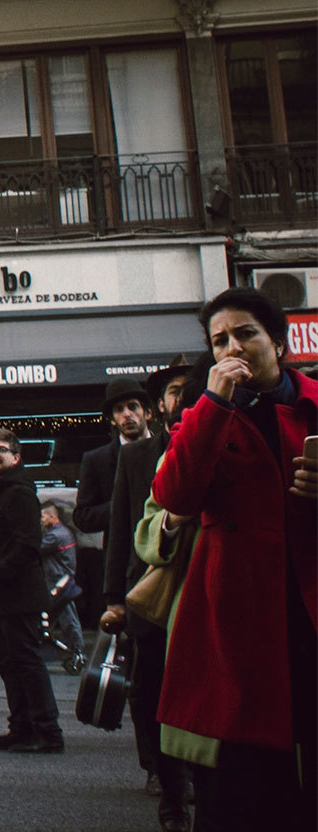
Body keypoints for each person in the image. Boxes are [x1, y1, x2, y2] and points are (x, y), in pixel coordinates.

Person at [143, 288, 318, 831]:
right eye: (219, 340)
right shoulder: (203, 413)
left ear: (279, 343)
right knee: (240, 786)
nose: (233, 348)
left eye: (245, 334)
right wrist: (213, 405)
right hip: (235, 618)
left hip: (307, 606)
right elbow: (175, 494)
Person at [100, 355, 196, 830]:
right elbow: (121, 528)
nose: (180, 398)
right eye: (172, 391)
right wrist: (114, 597)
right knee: (154, 691)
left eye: (187, 389)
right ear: (161, 405)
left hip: (204, 592)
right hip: (152, 592)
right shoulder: (136, 456)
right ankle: (171, 790)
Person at [0, 428, 64, 754]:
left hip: (19, 594)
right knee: (8, 662)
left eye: (1, 449)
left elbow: (28, 545)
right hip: (0, 596)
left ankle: (47, 731)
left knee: (26, 662)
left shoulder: (20, 491)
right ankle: (21, 728)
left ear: (16, 457)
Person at [73, 377, 151, 630]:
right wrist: (124, 506)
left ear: (147, 412)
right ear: (112, 419)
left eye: (133, 407)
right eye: (119, 410)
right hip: (126, 567)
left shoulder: (168, 448)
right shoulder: (97, 460)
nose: (127, 415)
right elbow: (83, 517)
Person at [40, 502, 85, 668]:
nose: (42, 520)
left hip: (58, 583)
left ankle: (77, 652)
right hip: (65, 580)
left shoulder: (54, 536)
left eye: (43, 516)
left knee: (68, 618)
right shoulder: (65, 533)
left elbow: (37, 549)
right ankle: (72, 651)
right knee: (62, 617)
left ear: (53, 516)